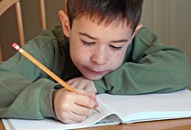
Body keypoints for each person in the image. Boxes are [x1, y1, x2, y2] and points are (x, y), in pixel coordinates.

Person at [0, 0, 191, 124]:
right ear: (67, 25)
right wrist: (50, 100)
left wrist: (101, 83)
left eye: (116, 47)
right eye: (88, 42)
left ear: (133, 35)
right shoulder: (47, 48)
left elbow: (179, 70)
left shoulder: (132, 38)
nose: (99, 59)